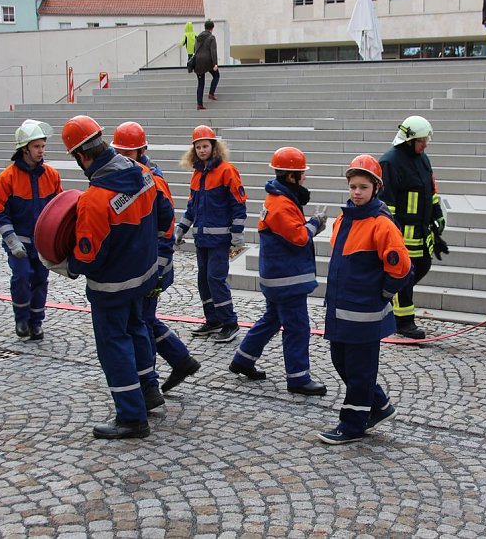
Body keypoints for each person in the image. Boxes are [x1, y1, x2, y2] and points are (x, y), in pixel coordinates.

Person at [48, 115, 173, 439]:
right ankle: (149, 392)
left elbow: (89, 256)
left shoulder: (95, 199)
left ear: (80, 156)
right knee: (138, 332)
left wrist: (65, 265)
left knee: (114, 346)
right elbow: (165, 215)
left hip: (112, 289)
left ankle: (131, 417)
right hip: (143, 278)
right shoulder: (144, 174)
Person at [318, 155, 412, 445]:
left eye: (363, 187)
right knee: (341, 362)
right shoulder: (345, 218)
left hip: (364, 313)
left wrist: (381, 294)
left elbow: (402, 267)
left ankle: (352, 424)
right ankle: (380, 406)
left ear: (375, 188)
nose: (356, 192)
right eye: (353, 186)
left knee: (359, 371)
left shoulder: (381, 225)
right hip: (341, 308)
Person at [111, 122, 201, 395]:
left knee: (140, 325)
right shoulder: (128, 176)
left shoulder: (152, 181)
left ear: (142, 151)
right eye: (121, 154)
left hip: (152, 268)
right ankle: (181, 360)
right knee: (144, 320)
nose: (124, 160)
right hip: (143, 266)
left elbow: (165, 229)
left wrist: (158, 271)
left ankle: (147, 385)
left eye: (129, 154)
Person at [229, 147, 328, 396]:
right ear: (291, 176)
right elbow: (298, 237)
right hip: (287, 280)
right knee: (297, 327)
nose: (304, 178)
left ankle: (243, 359)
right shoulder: (282, 203)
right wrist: (315, 223)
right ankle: (298, 378)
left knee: (271, 319)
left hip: (278, 277)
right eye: (301, 174)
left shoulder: (279, 198)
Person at [0, 119, 63, 341]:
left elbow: (59, 207)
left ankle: (36, 322)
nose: (41, 151)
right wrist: (12, 241)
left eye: (43, 146)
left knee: (40, 279)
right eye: (37, 147)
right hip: (19, 242)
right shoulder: (7, 178)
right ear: (24, 149)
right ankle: (21, 319)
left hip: (42, 243)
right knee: (22, 276)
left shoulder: (51, 175)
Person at [175, 125, 246, 343]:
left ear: (213, 147)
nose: (202, 150)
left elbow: (238, 204)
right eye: (198, 147)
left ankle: (230, 322)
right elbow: (191, 208)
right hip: (202, 238)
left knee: (215, 279)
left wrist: (237, 236)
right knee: (203, 280)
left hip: (220, 239)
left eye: (205, 146)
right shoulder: (197, 175)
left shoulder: (227, 171)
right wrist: (181, 229)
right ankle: (213, 320)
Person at [378, 116, 445, 339]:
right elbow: (387, 205)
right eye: (422, 141)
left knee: (422, 267)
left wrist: (437, 222)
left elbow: (430, 193)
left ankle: (387, 300)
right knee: (404, 275)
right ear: (409, 140)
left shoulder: (422, 159)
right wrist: (392, 234)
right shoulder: (390, 162)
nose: (425, 145)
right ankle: (404, 322)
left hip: (421, 232)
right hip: (403, 234)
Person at [193, 20, 220, 110]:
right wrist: (215, 63)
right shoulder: (211, 37)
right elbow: (213, 51)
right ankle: (211, 93)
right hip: (207, 62)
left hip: (198, 62)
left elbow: (194, 49)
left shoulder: (198, 37)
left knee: (201, 83)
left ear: (205, 27)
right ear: (212, 28)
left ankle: (199, 104)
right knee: (216, 75)